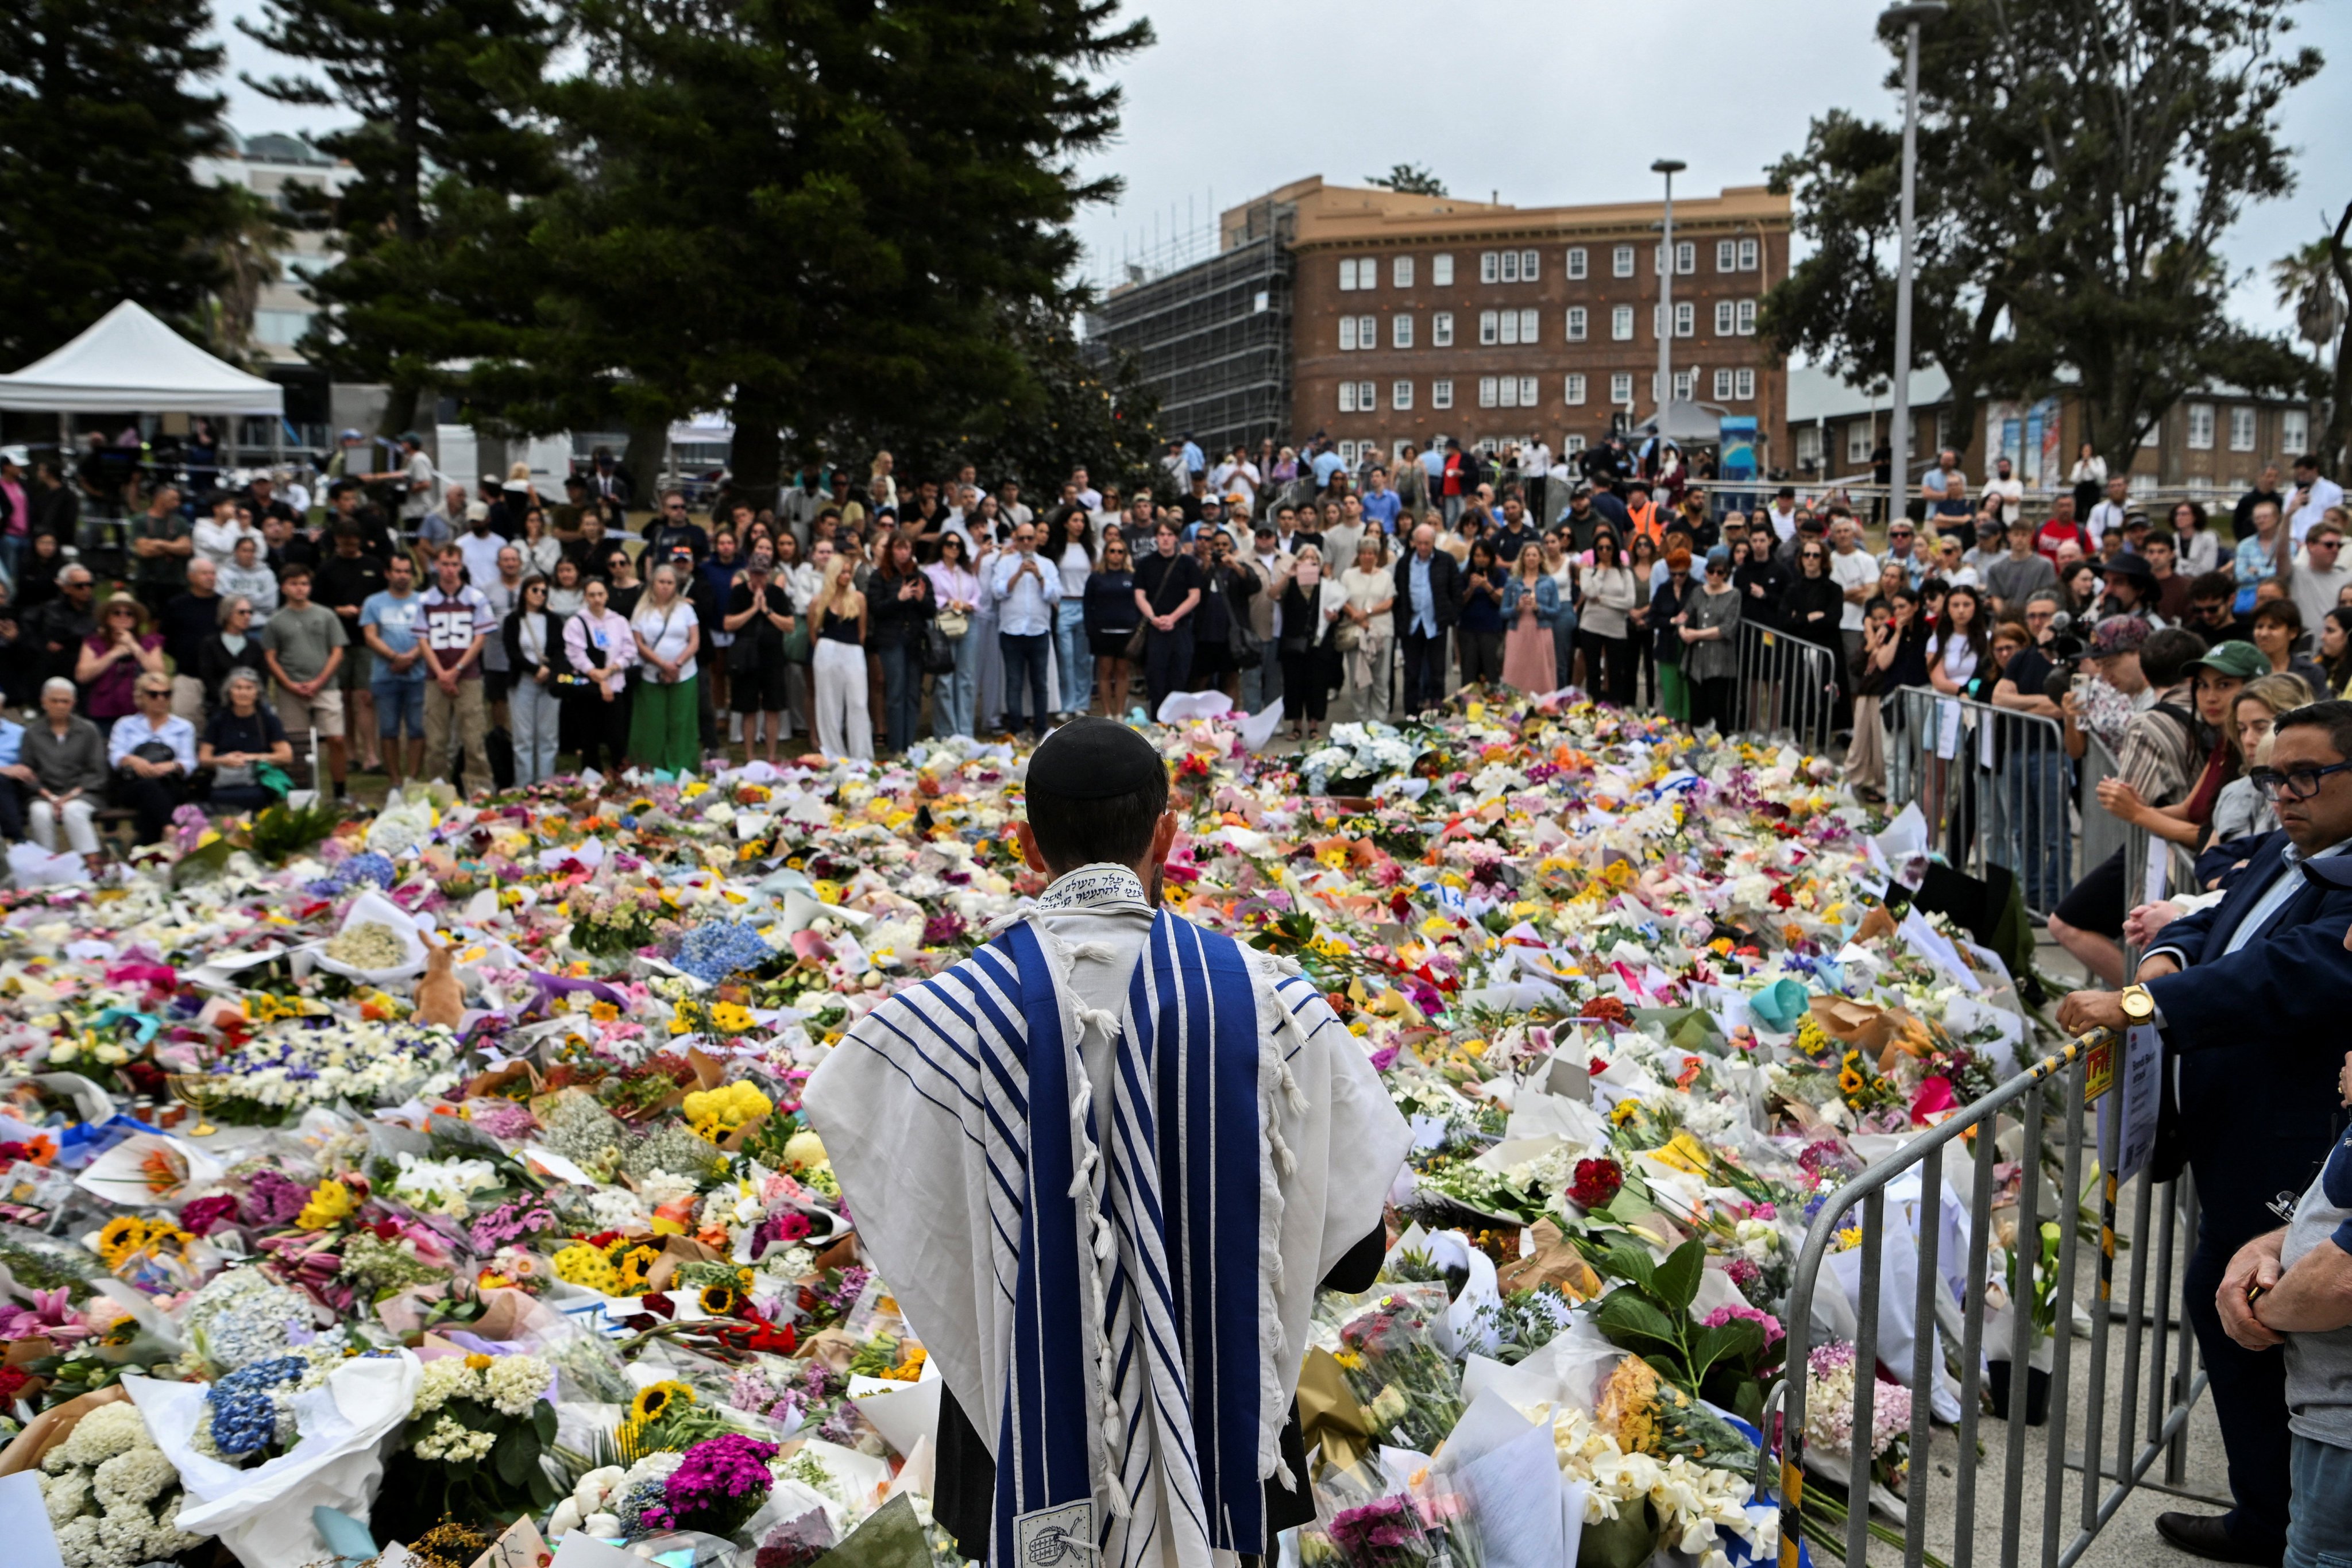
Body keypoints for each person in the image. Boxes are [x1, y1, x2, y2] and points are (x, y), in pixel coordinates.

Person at [802, 718, 1409, 1568]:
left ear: (1027, 844)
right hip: (1224, 1439)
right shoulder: (1272, 1006)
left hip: (1021, 1442)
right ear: (1167, 834)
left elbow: (914, 1219)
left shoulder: (947, 1024)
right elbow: (1353, 1256)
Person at [2056, 700, 2352, 1568]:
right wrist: (2158, 962)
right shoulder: (2288, 846)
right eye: (2271, 777)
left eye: (2307, 777)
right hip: (2228, 1132)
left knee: (2259, 1322)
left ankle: (2284, 1523)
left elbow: (2281, 975)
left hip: (2288, 1141)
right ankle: (2269, 1507)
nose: (2284, 794)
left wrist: (2139, 1002)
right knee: (2221, 1302)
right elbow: (2208, 924)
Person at [2048, 623, 2208, 984]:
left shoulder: (2151, 721)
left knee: (2071, 923)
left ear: (2143, 656)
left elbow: (2130, 798)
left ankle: (2143, 1005)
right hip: (2185, 848)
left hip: (2173, 855)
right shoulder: (2200, 714)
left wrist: (2138, 811)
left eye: (2110, 662)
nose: (2103, 674)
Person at [418, 544, 495, 789]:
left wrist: (457, 670)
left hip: (468, 676)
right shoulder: (426, 599)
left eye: (454, 565)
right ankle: (439, 792)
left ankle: (479, 790)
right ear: (437, 566)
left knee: (473, 738)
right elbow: (423, 639)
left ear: (461, 566)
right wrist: (441, 673)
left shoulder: (475, 598)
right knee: (436, 741)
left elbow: (480, 638)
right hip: (435, 677)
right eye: (445, 564)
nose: (449, 570)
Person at [360, 553, 430, 790]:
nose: (403, 576)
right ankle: (395, 781)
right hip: (385, 675)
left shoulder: (424, 601)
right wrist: (395, 657)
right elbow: (370, 636)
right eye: (398, 571)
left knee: (417, 729)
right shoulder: (374, 602)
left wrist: (410, 657)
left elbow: (429, 635)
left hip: (418, 674)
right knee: (388, 729)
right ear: (388, 574)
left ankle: (412, 779)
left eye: (407, 571)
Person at [626, 563, 701, 773]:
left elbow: (694, 641)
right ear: (653, 584)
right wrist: (663, 665)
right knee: (653, 723)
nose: (666, 587)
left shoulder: (685, 609)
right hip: (652, 674)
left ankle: (681, 767)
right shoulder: (642, 611)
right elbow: (638, 643)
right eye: (661, 582)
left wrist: (676, 665)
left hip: (684, 673)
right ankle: (651, 767)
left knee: (681, 722)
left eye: (670, 582)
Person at [21, 679, 106, 862]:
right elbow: (27, 772)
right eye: (55, 700)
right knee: (39, 812)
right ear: (44, 702)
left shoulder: (88, 730)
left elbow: (97, 771)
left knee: (73, 810)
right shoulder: (32, 733)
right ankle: (48, 866)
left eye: (65, 701)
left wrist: (68, 797)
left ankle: (92, 865)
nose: (60, 705)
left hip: (84, 793)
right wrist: (51, 797)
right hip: (45, 794)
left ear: (73, 704)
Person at [106, 674, 195, 845]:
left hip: (169, 783)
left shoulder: (183, 727)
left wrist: (171, 766)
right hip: (133, 784)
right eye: (153, 694)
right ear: (141, 697)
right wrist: (134, 761)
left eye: (166, 694)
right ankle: (169, 830)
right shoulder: (125, 725)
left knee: (154, 794)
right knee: (149, 787)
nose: (160, 699)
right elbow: (115, 755)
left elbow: (189, 762)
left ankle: (145, 848)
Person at [868, 536, 935, 754]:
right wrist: (899, 598)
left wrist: (922, 599)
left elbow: (931, 611)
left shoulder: (921, 576)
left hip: (915, 641)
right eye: (899, 548)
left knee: (913, 694)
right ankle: (896, 748)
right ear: (891, 551)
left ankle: (910, 746)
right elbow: (876, 608)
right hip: (891, 641)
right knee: (896, 693)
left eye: (907, 547)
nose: (904, 553)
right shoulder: (880, 576)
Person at [562, 577, 636, 772]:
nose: (597, 599)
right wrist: (597, 676)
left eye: (600, 594)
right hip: (588, 688)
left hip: (616, 685)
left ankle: (621, 780)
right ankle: (591, 783)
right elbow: (575, 654)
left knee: (617, 739)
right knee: (590, 740)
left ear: (607, 595)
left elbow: (629, 652)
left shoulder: (619, 621)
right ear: (586, 597)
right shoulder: (576, 623)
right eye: (592, 595)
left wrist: (610, 671)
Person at [1132, 520, 1204, 720]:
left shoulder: (1187, 564)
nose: (1165, 538)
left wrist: (1173, 618)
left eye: (1169, 534)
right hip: (1155, 631)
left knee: (1180, 678)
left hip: (1180, 629)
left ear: (1176, 538)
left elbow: (1195, 596)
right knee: (1156, 680)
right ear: (1156, 537)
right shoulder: (1145, 564)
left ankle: (1178, 725)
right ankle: (1157, 723)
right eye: (1162, 534)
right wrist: (1154, 618)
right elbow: (1140, 595)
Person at [500, 575, 566, 786]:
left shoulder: (554, 620)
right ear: (525, 593)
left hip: (549, 683)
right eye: (535, 590)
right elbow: (512, 652)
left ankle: (545, 785)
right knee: (523, 738)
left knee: (548, 736)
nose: (540, 595)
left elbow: (560, 650)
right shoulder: (513, 620)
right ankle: (524, 785)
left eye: (544, 591)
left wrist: (547, 670)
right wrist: (535, 669)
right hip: (523, 681)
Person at [199, 667, 293, 814]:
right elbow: (204, 758)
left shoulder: (268, 720)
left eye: (249, 688)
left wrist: (251, 758)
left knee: (259, 795)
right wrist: (223, 761)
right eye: (238, 688)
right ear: (229, 692)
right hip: (224, 781)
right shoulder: (218, 720)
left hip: (258, 780)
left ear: (257, 693)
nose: (243, 693)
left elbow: (286, 756)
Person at [1274, 545, 1343, 743]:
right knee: (1294, 685)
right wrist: (1289, 574)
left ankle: (1314, 726)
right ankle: (1296, 727)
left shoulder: (1327, 585)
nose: (1309, 561)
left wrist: (1335, 616)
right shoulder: (1291, 582)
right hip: (1293, 643)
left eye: (1314, 558)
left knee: (1318, 685)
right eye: (1305, 557)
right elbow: (1273, 594)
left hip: (1319, 643)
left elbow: (1338, 610)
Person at [806, 554, 872, 761]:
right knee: (828, 703)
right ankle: (834, 754)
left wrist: (851, 649)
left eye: (848, 572)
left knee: (859, 702)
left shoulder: (859, 598)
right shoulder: (819, 601)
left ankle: (861, 755)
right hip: (827, 650)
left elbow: (862, 632)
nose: (846, 576)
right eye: (842, 572)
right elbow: (813, 632)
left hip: (853, 650)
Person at [76, 596, 167, 736]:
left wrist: (134, 647)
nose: (123, 616)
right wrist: (114, 654)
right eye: (117, 613)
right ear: (107, 618)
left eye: (129, 613)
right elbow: (82, 676)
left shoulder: (149, 642)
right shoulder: (94, 642)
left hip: (140, 712)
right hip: (103, 712)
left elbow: (159, 673)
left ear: (136, 619)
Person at [1679, 548, 1743, 729]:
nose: (1714, 576)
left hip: (1720, 661)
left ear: (1726, 575)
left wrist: (1696, 634)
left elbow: (1727, 628)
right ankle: (1697, 754)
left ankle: (1719, 756)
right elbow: (1686, 614)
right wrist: (1683, 629)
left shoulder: (1733, 595)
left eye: (1720, 573)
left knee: (1717, 710)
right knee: (1697, 711)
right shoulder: (1698, 591)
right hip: (1696, 661)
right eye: (1711, 572)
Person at [1578, 528, 1640, 708]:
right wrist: (1600, 572)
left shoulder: (1625, 573)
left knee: (1615, 671)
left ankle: (1614, 708)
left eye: (1609, 548)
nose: (1605, 552)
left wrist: (1603, 601)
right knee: (1593, 671)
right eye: (1601, 548)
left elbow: (1629, 602)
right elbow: (1590, 592)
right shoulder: (1588, 572)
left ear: (1615, 549)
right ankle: (1593, 707)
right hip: (1591, 625)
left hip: (1616, 628)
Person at [1080, 533, 1137, 726]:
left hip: (1127, 632)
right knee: (1104, 673)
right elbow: (1087, 605)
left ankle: (1120, 713)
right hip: (1102, 632)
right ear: (1106, 554)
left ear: (1125, 555)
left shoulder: (1132, 576)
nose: (1116, 555)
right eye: (1112, 551)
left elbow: (1139, 603)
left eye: (1120, 552)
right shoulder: (1096, 578)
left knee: (1122, 672)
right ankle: (1106, 713)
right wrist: (1091, 629)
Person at [1499, 542, 1561, 698]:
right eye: (1528, 555)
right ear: (1523, 559)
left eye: (1534, 555)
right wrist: (1517, 608)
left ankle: (1544, 704)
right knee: (1515, 670)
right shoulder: (1512, 582)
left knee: (1541, 670)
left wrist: (1538, 608)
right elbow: (1503, 612)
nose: (1531, 558)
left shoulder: (1549, 582)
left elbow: (1556, 611)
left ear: (1541, 558)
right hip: (1517, 631)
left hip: (1541, 631)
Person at [1647, 548, 1698, 720]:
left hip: (1690, 646)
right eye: (1674, 574)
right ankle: (1671, 724)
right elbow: (1652, 618)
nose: (1677, 578)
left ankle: (1688, 725)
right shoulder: (1664, 589)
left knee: (1688, 687)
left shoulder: (1697, 589)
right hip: (1667, 645)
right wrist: (1672, 621)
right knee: (1669, 687)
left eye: (1682, 574)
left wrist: (1686, 624)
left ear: (1688, 571)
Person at [2250, 599, 2332, 700]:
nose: (2263, 634)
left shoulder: (2311, 673)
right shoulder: (2245, 669)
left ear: (2293, 632)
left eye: (2273, 627)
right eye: (2259, 627)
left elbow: (2325, 709)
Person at [1454, 539, 1507, 690]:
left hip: (1491, 629)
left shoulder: (1499, 574)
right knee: (1469, 673)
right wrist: (1471, 589)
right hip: (1468, 629)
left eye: (1484, 555)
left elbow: (1500, 600)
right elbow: (1460, 602)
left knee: (1491, 671)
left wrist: (1486, 586)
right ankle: (1469, 706)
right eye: (1477, 556)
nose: (1481, 559)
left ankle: (1494, 705)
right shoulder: (1465, 575)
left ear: (1490, 556)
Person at [2285, 455, 2346, 546]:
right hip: (2295, 543)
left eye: (2304, 474)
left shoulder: (2333, 491)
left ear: (2314, 470)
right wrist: (2294, 540)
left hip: (2321, 543)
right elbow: (2288, 519)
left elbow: (2335, 520)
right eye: (2299, 475)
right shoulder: (2291, 494)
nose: (2301, 478)